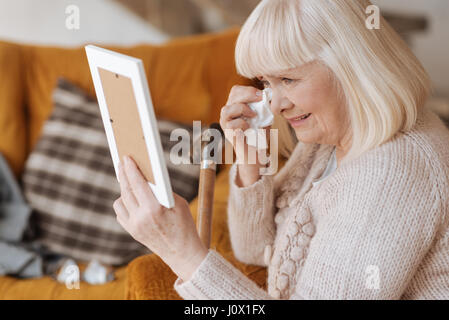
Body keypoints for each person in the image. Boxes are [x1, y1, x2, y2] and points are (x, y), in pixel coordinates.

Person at [113, 0, 449, 299]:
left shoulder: (392, 172)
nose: (276, 105)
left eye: (288, 80)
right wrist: (248, 160)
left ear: (352, 66)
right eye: (265, 83)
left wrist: (183, 253)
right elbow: (256, 251)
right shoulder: (331, 137)